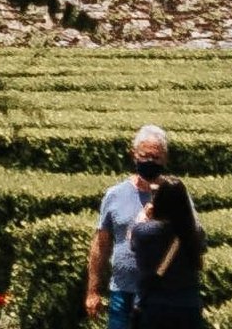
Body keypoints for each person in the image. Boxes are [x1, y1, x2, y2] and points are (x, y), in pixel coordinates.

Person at [88, 126, 172, 329]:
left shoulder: (174, 195)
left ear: (165, 159)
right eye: (145, 156)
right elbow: (101, 244)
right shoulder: (115, 195)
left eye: (156, 157)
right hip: (121, 292)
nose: (150, 162)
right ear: (133, 155)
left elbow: (188, 239)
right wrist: (92, 291)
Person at [128, 176, 205, 329]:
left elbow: (132, 240)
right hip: (188, 306)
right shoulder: (195, 233)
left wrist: (144, 216)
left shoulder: (144, 231)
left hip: (153, 307)